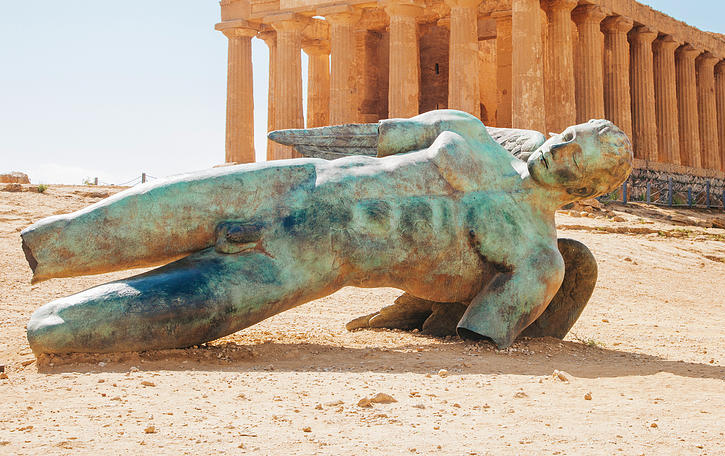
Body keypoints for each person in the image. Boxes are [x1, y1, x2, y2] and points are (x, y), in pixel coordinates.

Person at [22, 110, 632, 354]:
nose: (565, 147)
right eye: (572, 134)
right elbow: (366, 137)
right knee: (63, 235)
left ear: (593, 189)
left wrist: (426, 307)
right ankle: (50, 250)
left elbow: (477, 334)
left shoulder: (537, 258)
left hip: (309, 260)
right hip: (290, 181)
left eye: (584, 156)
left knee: (55, 333)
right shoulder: (467, 131)